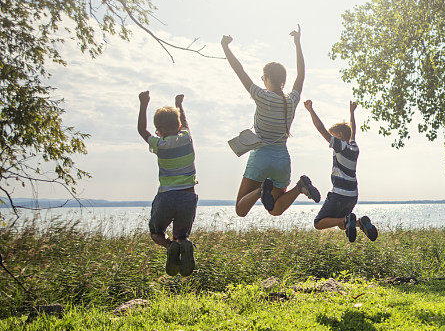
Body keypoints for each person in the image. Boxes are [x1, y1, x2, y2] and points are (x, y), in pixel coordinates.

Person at [221, 25, 320, 218]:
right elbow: (301, 75)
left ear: (266, 79)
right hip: (282, 159)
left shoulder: (261, 96)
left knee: (241, 210)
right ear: (284, 80)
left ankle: (260, 191)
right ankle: (300, 187)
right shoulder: (291, 100)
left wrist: (225, 47)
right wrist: (298, 43)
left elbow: (239, 70)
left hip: (261, 157)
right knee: (274, 209)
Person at [137, 91, 197, 276]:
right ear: (179, 126)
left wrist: (143, 104)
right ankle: (180, 244)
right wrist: (179, 105)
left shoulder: (159, 144)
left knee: (156, 232)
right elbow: (185, 123)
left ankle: (170, 246)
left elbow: (141, 130)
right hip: (187, 196)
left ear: (159, 130)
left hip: (166, 197)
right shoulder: (186, 138)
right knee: (182, 235)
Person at [304, 99, 378, 242]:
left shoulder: (340, 146)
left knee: (318, 223)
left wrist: (311, 110)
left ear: (338, 135)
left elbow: (321, 129)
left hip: (339, 195)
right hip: (353, 196)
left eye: (333, 135)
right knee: (343, 224)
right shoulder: (354, 147)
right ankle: (361, 223)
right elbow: (353, 131)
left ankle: (348, 219)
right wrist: (352, 113)